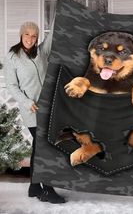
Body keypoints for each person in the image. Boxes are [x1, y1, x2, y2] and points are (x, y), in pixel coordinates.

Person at [4, 21, 65, 204]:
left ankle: (33, 187)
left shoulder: (41, 52)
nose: (30, 39)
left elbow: (52, 36)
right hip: (31, 109)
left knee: (39, 148)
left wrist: (59, 12)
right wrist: (26, 101)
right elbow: (12, 86)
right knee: (43, 148)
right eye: (27, 35)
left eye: (34, 35)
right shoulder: (13, 56)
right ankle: (47, 189)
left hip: (47, 106)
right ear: (21, 35)